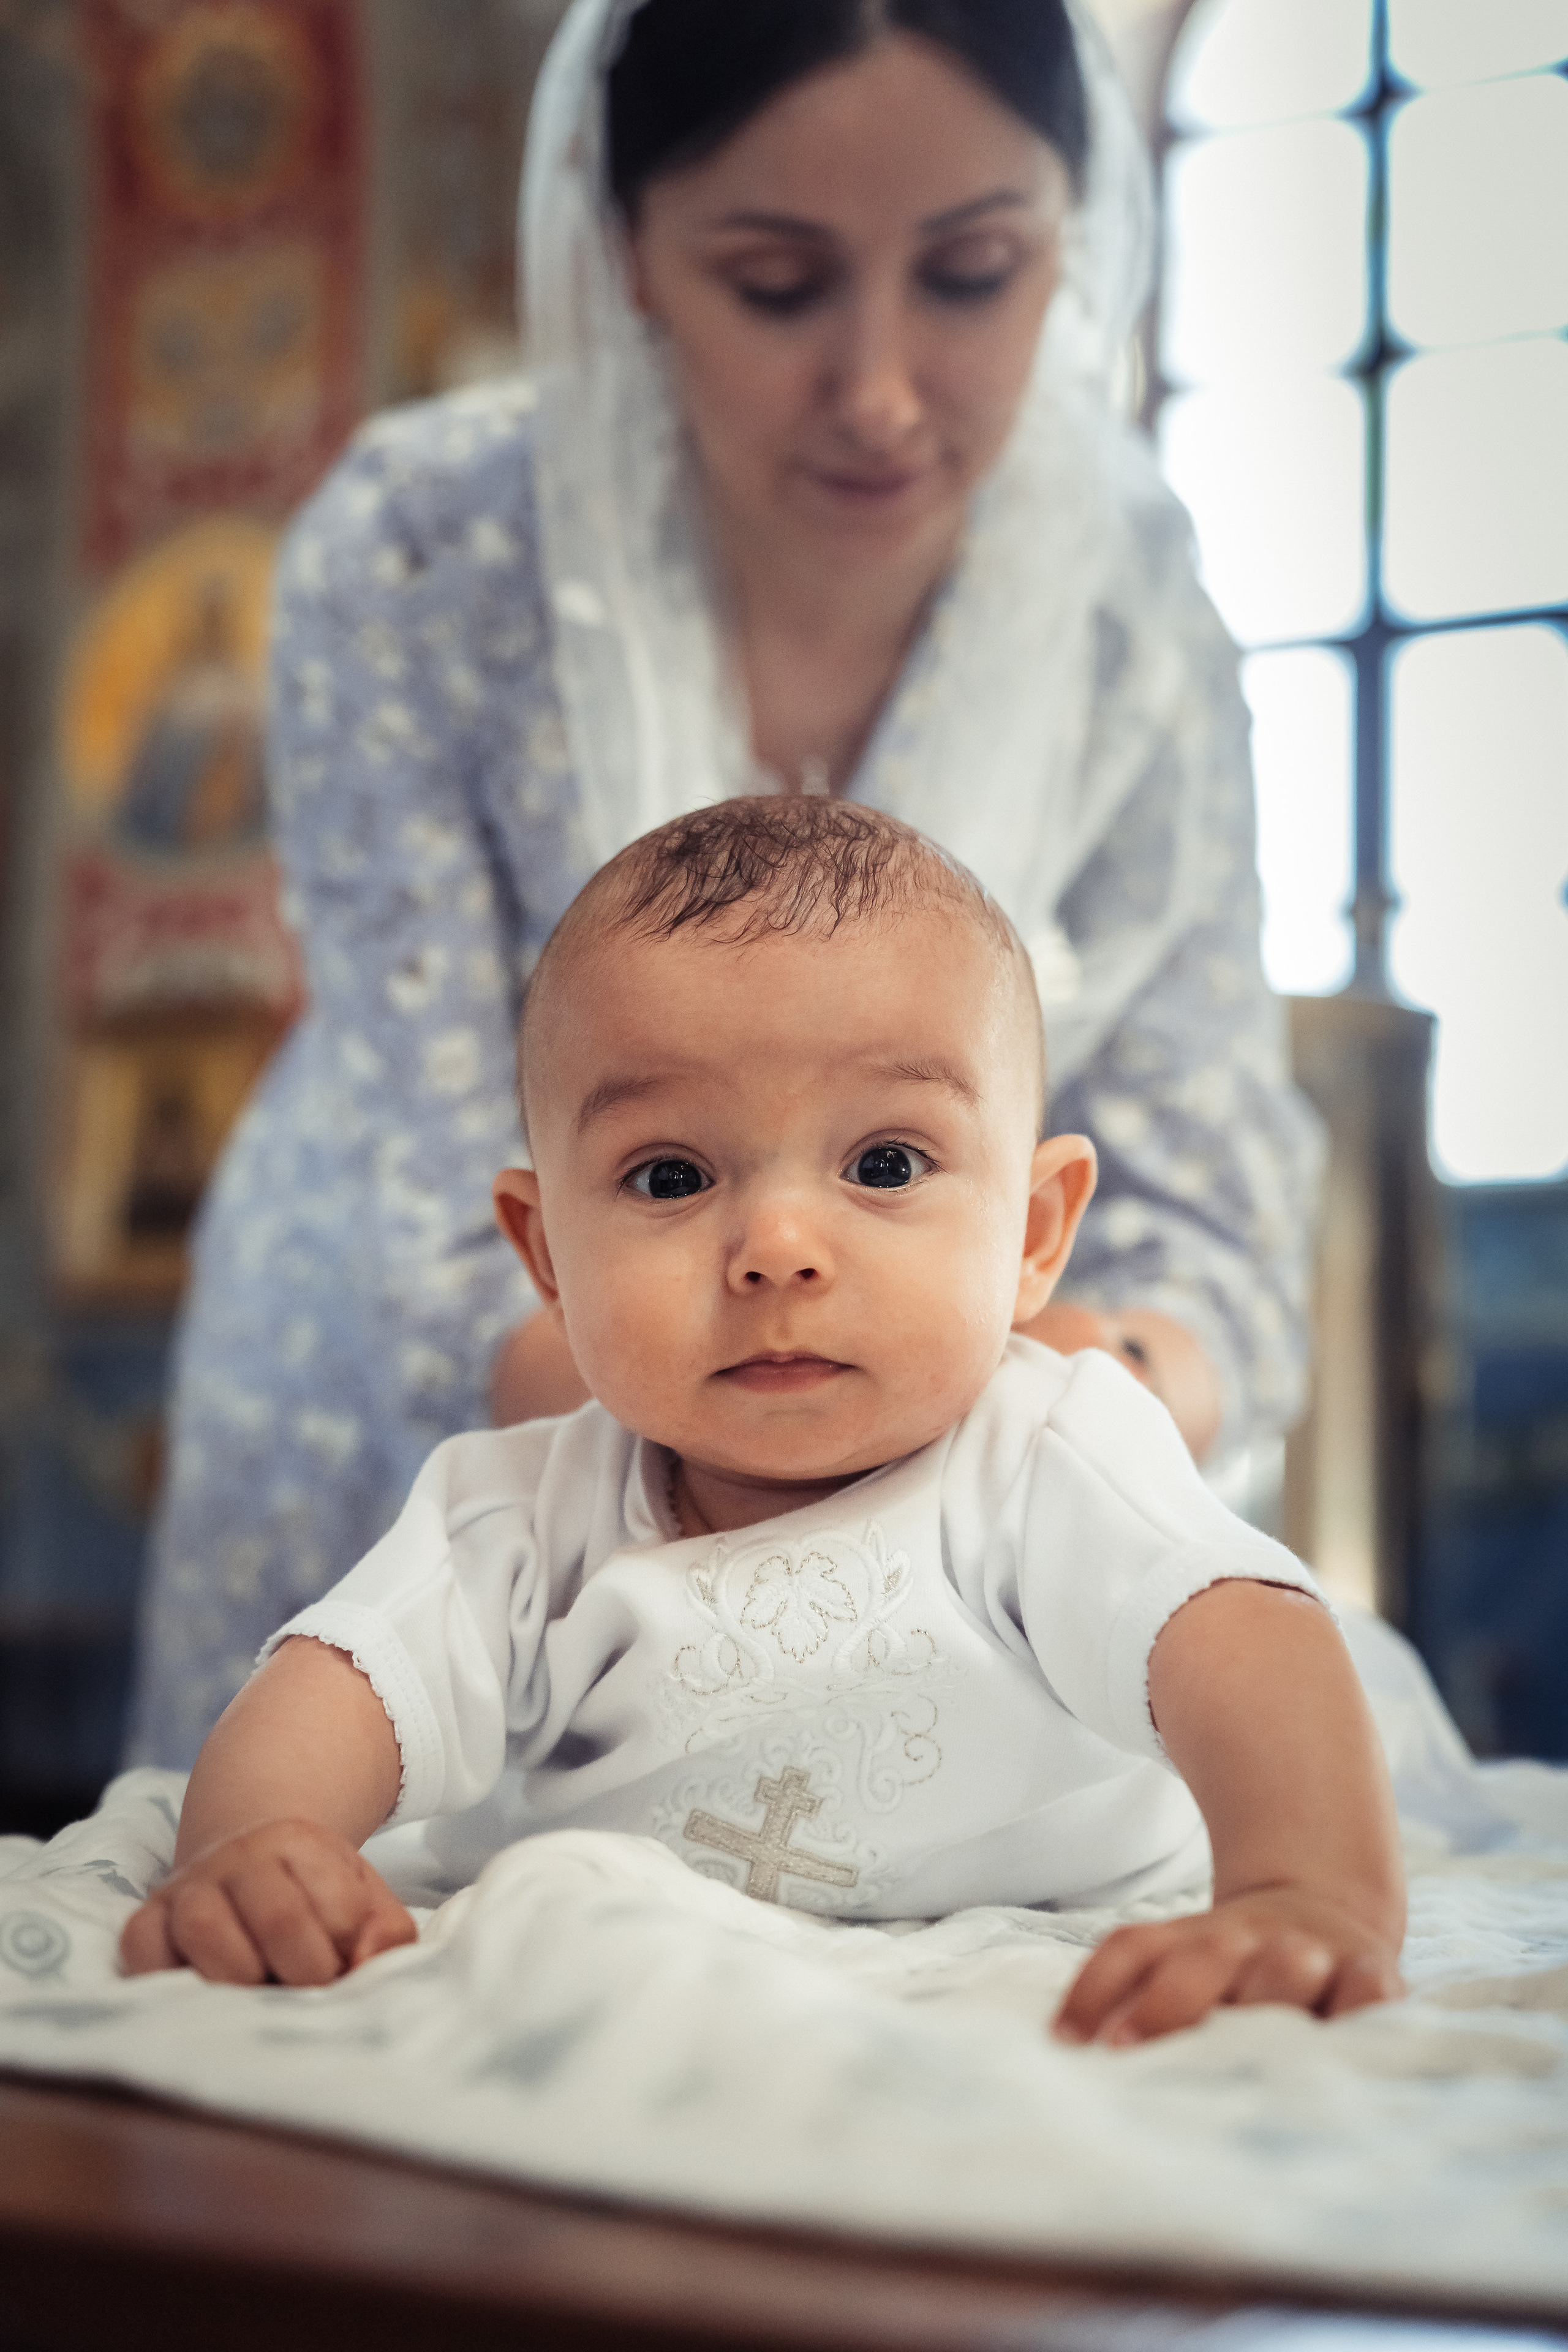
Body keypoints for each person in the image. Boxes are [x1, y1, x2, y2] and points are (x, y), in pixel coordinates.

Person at [124, 0, 1322, 1770]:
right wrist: (732, 1498)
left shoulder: (1135, 601)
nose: (883, 391)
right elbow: (441, 1215)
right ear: (628, 258)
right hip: (442, 1441)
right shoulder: (424, 549)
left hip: (977, 1511)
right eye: (776, 286)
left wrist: (1032, 1466)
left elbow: (1212, 1234)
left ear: (1074, 238)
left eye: (978, 274)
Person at [121, 802, 1404, 2048]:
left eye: (884, 1165)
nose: (777, 1251)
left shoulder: (1050, 1448)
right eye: (669, 1176)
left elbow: (1243, 1644)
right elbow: (336, 1687)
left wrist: (1302, 1891)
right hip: (654, 1976)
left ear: (1031, 1233)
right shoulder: (516, 1508)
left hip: (1051, 1917)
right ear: (545, 1255)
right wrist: (254, 1847)